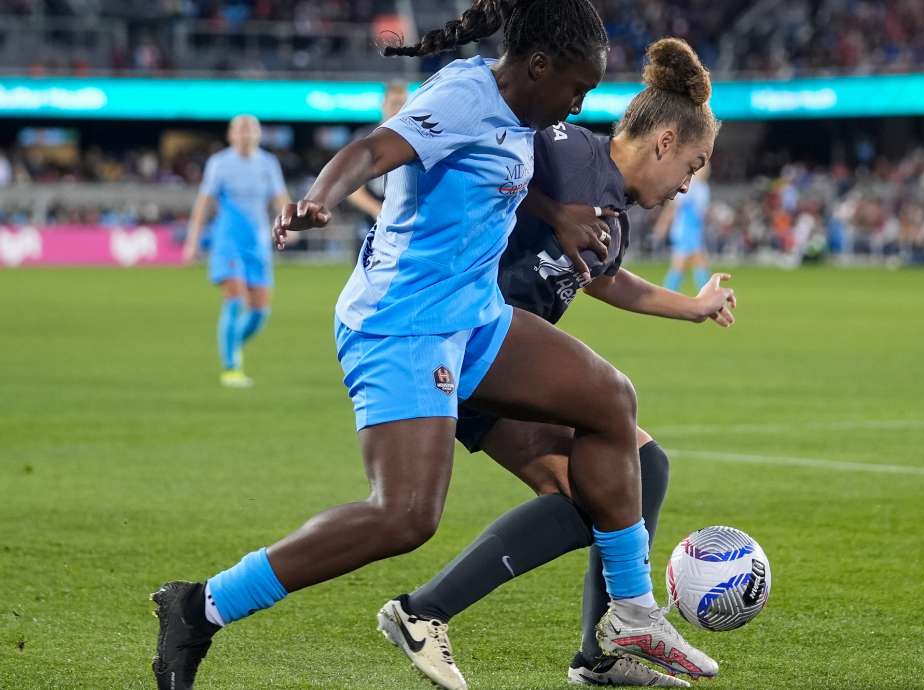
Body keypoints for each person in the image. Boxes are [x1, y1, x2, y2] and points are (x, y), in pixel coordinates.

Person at [150, 3, 714, 689]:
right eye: (577, 87)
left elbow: (500, 165)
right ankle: (200, 606)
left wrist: (555, 213)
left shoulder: (524, 112)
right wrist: (318, 197)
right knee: (405, 516)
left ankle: (630, 616)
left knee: (610, 399)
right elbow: (371, 151)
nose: (581, 102)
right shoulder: (460, 94)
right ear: (538, 66)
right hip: (402, 323)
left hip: (474, 316)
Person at [391, 37, 728, 689]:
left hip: (497, 367)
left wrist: (691, 306)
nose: (687, 185)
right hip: (463, 341)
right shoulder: (568, 150)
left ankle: (594, 655)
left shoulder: (616, 215)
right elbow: (488, 149)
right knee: (613, 468)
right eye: (691, 165)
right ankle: (428, 612)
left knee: (627, 477)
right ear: (663, 142)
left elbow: (607, 279)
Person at [182, 115, 289, 388]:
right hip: (227, 242)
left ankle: (230, 344)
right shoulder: (219, 163)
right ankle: (231, 367)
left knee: (259, 312)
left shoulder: (268, 163)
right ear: (231, 135)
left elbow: (280, 198)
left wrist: (292, 223)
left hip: (258, 244)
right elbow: (203, 204)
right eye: (240, 130)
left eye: (250, 129)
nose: (245, 134)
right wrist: (192, 241)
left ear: (258, 134)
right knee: (235, 299)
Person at [345, 81, 408, 244]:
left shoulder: (414, 140)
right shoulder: (366, 138)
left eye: (403, 104)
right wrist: (378, 210)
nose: (399, 109)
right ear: (384, 105)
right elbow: (353, 190)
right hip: (371, 226)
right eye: (394, 104)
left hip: (405, 226)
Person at [653, 162, 711, 291]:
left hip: (694, 230)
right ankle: (707, 295)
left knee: (682, 265)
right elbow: (673, 207)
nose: (706, 171)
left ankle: (667, 294)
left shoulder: (703, 188)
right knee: (696, 262)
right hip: (685, 230)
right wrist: (662, 225)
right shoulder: (688, 187)